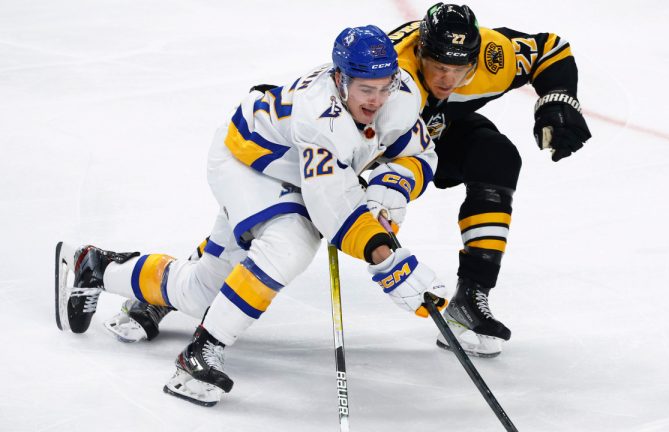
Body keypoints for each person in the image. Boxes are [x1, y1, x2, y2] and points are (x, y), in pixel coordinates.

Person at [55, 25, 447, 407]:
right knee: (291, 243)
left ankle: (98, 267)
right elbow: (334, 210)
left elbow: (418, 154)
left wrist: (387, 190)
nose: (377, 100)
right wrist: (389, 261)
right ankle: (201, 352)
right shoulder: (321, 118)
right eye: (366, 89)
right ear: (340, 80)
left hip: (297, 171)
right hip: (249, 163)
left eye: (384, 88)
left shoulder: (401, 95)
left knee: (203, 291)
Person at [385, 3, 592, 357]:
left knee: (496, 157)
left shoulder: (494, 56)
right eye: (437, 67)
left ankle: (470, 297)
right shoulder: (388, 75)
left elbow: (549, 50)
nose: (446, 80)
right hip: (381, 143)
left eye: (458, 69)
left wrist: (557, 101)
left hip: (436, 133)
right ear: (419, 53)